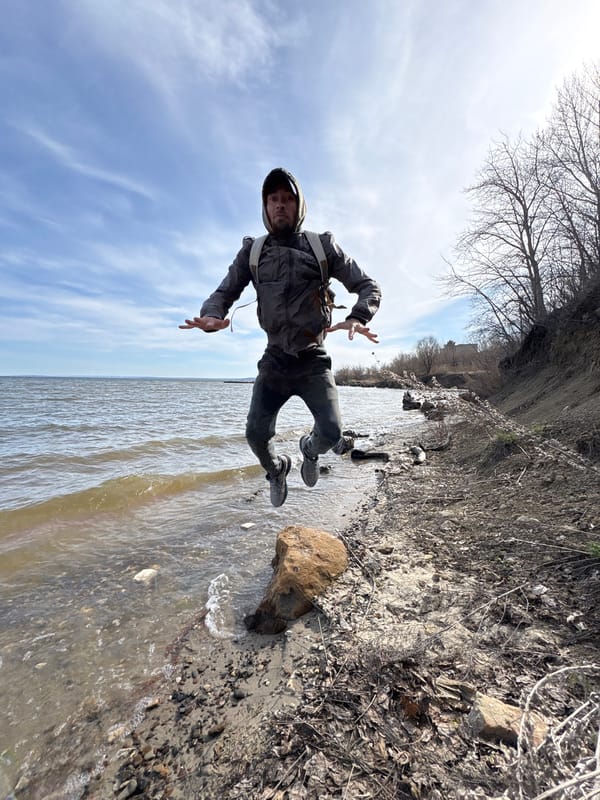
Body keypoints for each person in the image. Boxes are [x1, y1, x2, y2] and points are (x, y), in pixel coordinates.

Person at [180, 167, 381, 507]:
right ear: (265, 206)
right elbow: (224, 291)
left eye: (287, 199)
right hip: (274, 361)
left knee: (332, 434)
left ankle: (308, 449)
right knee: (255, 435)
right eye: (273, 199)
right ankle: (277, 469)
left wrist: (357, 317)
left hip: (313, 361)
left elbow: (367, 286)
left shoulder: (322, 247)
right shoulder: (252, 252)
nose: (280, 205)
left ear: (298, 204)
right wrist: (213, 315)